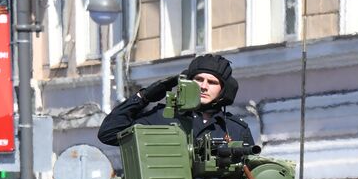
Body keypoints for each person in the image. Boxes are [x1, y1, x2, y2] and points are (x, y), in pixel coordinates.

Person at [98, 53, 254, 151]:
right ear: (188, 81)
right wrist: (144, 97)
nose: (204, 87)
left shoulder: (235, 129)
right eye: (198, 80)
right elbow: (109, 134)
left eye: (212, 82)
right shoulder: (163, 118)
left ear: (223, 90)